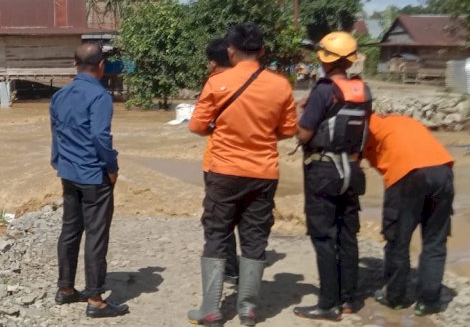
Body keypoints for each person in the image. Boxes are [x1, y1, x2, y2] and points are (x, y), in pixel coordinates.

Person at [188, 23, 298, 326]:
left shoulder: (217, 82)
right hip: (264, 172)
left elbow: (196, 126)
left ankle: (211, 309)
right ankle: (248, 309)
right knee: (255, 238)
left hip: (223, 171)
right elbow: (288, 130)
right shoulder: (281, 85)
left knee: (216, 234)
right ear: (262, 51)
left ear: (231, 50)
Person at [293, 31, 372, 321]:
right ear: (350, 61)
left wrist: (298, 111)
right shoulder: (364, 91)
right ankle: (349, 299)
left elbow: (304, 133)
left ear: (325, 60)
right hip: (353, 169)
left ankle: (327, 304)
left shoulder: (323, 90)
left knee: (324, 236)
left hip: (323, 171)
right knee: (347, 234)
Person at [49, 42, 128, 318]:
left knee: (70, 230)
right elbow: (100, 137)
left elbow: (55, 134)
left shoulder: (59, 95)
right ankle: (95, 300)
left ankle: (66, 288)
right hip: (94, 175)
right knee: (96, 234)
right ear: (101, 66)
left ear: (75, 64)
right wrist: (112, 167)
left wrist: (58, 162)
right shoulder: (100, 96)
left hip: (68, 172)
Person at [363, 113, 455, 316]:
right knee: (435, 240)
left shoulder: (365, 126)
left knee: (398, 239)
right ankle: (428, 302)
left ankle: (395, 297)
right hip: (443, 171)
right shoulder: (403, 121)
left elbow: (356, 159)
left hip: (407, 174)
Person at [204, 37, 239, 284]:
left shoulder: (215, 83)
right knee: (246, 222)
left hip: (218, 162)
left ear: (213, 62)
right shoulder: (257, 81)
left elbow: (200, 123)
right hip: (255, 165)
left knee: (218, 219)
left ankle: (228, 268)